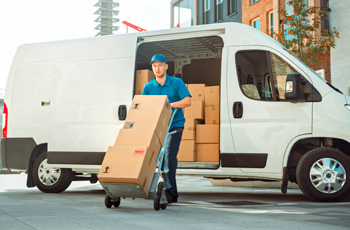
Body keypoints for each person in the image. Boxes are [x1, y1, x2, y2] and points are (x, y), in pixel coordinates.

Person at [142, 54, 191, 203]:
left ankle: (171, 194)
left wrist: (169, 105)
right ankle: (145, 187)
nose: (157, 68)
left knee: (168, 160)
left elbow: (187, 101)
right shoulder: (148, 87)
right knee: (151, 159)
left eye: (160, 65)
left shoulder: (176, 83)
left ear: (166, 66)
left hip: (174, 127)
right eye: (154, 66)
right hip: (156, 128)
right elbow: (144, 106)